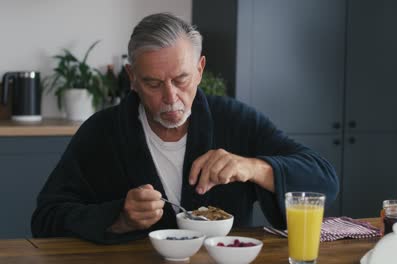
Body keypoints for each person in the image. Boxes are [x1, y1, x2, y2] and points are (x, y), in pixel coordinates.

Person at [31, 13, 339, 244]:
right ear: (132, 77)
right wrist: (118, 219)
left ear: (200, 69)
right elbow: (45, 219)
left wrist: (253, 167)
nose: (170, 97)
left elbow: (324, 181)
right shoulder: (101, 132)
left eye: (181, 79)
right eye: (153, 83)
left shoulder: (236, 120)